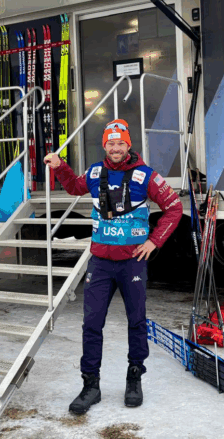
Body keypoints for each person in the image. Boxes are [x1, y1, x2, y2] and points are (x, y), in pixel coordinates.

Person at [43, 118, 183, 414]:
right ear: (104, 145)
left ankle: (134, 378)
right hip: (101, 263)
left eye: (121, 143)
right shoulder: (95, 172)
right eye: (111, 143)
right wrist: (60, 166)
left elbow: (174, 208)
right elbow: (74, 187)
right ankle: (90, 385)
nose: (116, 148)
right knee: (92, 324)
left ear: (128, 145)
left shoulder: (146, 175)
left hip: (132, 263)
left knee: (136, 321)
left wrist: (154, 241)